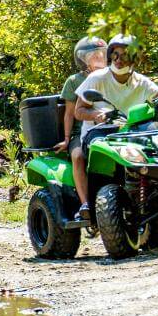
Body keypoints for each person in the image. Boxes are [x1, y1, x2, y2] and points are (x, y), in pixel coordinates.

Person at [71, 34, 158, 218]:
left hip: (132, 132)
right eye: (115, 55)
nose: (119, 60)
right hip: (100, 133)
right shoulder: (97, 78)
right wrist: (96, 115)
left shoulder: (140, 81)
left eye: (125, 55)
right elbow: (78, 111)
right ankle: (88, 204)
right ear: (110, 56)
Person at [54, 37, 108, 215]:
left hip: (110, 128)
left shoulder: (111, 77)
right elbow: (70, 113)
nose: (100, 57)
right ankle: (85, 204)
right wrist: (67, 139)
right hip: (81, 132)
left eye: (103, 54)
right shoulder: (74, 81)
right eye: (95, 55)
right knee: (77, 156)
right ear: (83, 59)